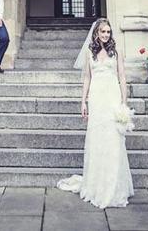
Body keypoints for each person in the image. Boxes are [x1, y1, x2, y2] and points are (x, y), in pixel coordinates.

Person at [57, 18, 134, 208]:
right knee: (97, 140)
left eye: (108, 32)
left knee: (113, 141)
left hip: (112, 98)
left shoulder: (116, 52)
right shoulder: (90, 53)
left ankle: (113, 187)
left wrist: (124, 102)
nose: (106, 35)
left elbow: (122, 77)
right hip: (96, 99)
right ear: (97, 33)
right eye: (103, 32)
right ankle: (96, 185)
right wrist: (83, 101)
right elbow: (86, 77)